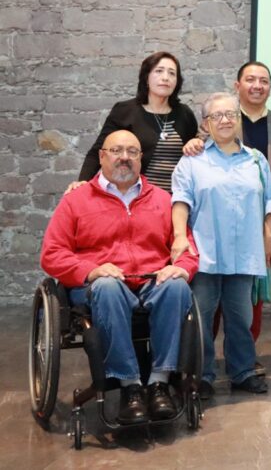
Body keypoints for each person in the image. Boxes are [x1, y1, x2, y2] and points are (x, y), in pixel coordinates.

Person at [42, 130, 199, 424]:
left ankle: (159, 383)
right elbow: (51, 254)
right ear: (102, 156)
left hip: (150, 281)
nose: (124, 157)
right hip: (98, 286)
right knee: (108, 287)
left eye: (132, 151)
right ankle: (130, 387)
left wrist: (181, 267)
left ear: (141, 159)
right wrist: (90, 270)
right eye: (116, 151)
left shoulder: (162, 199)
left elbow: (187, 248)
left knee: (177, 287)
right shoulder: (76, 201)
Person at [172, 93, 271, 397]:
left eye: (231, 114)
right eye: (217, 115)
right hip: (205, 254)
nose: (225, 120)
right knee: (202, 318)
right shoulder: (192, 161)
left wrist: (267, 236)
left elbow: (270, 202)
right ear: (206, 123)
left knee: (241, 318)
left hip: (245, 253)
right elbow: (180, 201)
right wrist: (179, 236)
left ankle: (242, 372)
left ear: (239, 119)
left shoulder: (256, 159)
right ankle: (202, 375)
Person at [208, 62, 271, 375]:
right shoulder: (223, 119)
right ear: (238, 85)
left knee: (253, 295)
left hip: (264, 224)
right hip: (220, 222)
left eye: (264, 81)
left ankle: (245, 354)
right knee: (213, 294)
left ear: (270, 87)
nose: (257, 85)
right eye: (250, 79)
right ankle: (205, 357)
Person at [73, 51, 198, 193]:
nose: (165, 77)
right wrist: (83, 182)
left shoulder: (185, 114)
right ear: (146, 77)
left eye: (172, 73)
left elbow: (196, 156)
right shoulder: (125, 111)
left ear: (177, 81)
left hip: (179, 198)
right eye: (159, 71)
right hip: (136, 196)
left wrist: (196, 142)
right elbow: (99, 150)